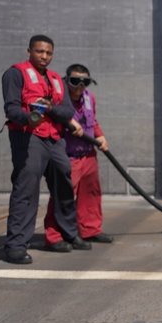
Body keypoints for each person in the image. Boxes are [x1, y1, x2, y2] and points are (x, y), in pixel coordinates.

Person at [0, 35, 91, 264]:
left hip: (55, 140)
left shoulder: (57, 79)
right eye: (40, 51)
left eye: (48, 53)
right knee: (26, 190)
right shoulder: (15, 74)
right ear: (29, 51)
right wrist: (29, 118)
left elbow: (67, 112)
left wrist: (50, 108)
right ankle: (16, 246)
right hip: (28, 138)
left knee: (64, 187)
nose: (44, 56)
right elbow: (11, 108)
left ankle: (68, 234)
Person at [43, 65, 113, 246]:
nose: (80, 87)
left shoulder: (89, 98)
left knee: (90, 194)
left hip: (88, 155)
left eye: (85, 82)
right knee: (62, 197)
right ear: (67, 81)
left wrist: (100, 136)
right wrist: (67, 120)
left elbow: (92, 121)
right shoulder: (58, 99)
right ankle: (54, 237)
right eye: (75, 81)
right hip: (69, 156)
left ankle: (90, 230)